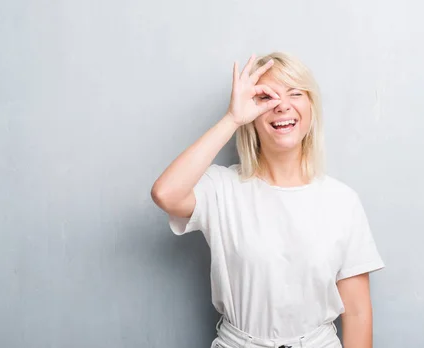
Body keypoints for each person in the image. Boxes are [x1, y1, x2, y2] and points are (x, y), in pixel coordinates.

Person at [151, 52, 385, 348]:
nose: (282, 106)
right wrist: (232, 119)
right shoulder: (222, 187)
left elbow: (358, 313)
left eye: (295, 93)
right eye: (267, 97)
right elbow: (166, 193)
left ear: (311, 108)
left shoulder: (342, 201)